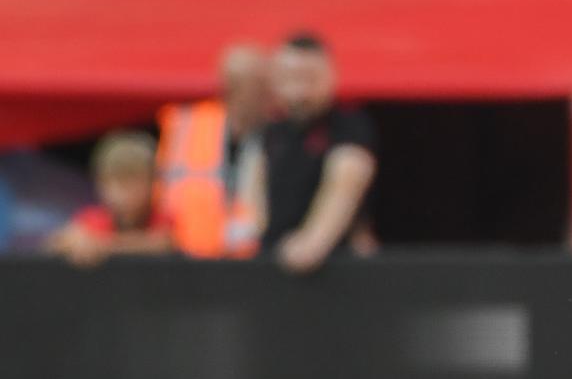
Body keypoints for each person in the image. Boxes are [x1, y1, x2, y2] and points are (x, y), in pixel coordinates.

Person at [246, 33, 379, 276]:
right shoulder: (271, 133)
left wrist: (313, 242)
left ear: (329, 76)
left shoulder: (348, 127)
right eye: (291, 77)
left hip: (333, 271)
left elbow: (347, 179)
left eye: (309, 77)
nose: (300, 89)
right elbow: (255, 202)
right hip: (271, 265)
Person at [154, 43, 271, 259]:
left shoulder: (277, 136)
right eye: (257, 85)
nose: (268, 94)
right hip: (186, 258)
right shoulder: (187, 126)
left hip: (252, 260)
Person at [46, 132, 175, 269]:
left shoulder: (162, 218)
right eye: (118, 183)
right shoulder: (94, 219)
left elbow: (160, 244)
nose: (124, 194)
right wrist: (73, 241)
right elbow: (59, 241)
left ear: (151, 183)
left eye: (132, 182)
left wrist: (100, 246)